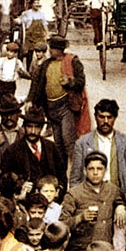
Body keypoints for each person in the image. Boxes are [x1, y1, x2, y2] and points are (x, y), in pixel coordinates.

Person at [27, 34, 86, 167]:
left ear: (59, 49)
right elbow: (36, 83)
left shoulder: (72, 61)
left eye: (52, 48)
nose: (49, 51)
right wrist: (30, 99)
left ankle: (76, 170)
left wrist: (70, 82)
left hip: (66, 107)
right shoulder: (46, 64)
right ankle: (62, 173)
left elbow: (81, 81)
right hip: (51, 109)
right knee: (58, 143)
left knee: (68, 141)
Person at [62, 151, 123, 251]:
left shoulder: (112, 190)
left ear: (105, 171)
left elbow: (121, 201)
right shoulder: (74, 193)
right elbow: (62, 224)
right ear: (85, 171)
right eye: (91, 169)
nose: (95, 173)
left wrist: (121, 206)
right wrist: (80, 217)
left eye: (99, 169)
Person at [70, 99, 126, 190]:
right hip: (90, 196)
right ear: (95, 117)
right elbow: (75, 178)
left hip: (117, 194)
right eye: (101, 117)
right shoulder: (82, 143)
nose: (105, 121)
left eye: (109, 117)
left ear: (115, 118)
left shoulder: (124, 142)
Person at [0, 108, 66, 199]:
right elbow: (4, 180)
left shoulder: (51, 147)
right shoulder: (12, 151)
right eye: (30, 127)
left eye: (37, 127)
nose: (33, 131)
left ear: (41, 128)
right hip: (25, 201)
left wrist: (58, 192)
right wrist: (20, 186)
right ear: (24, 127)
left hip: (50, 199)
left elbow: (62, 175)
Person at [0, 42, 28, 109]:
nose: (9, 53)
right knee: (2, 103)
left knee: (10, 103)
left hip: (11, 85)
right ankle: (3, 117)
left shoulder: (17, 62)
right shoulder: (1, 61)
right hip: (1, 84)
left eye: (11, 52)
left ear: (15, 53)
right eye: (8, 51)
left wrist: (19, 73)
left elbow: (22, 73)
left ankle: (8, 117)